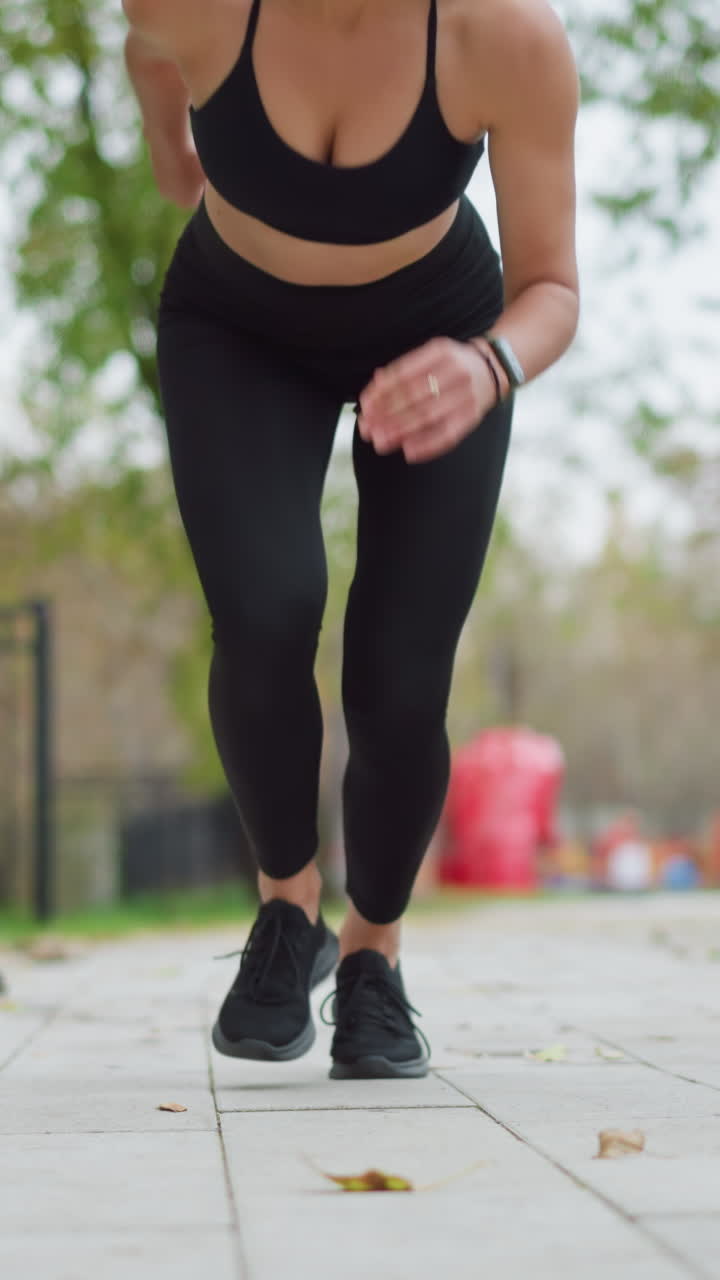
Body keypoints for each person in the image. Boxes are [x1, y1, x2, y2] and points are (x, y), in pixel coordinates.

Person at [122, 0, 579, 1079]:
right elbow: (143, 46)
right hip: (235, 327)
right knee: (267, 609)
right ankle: (291, 912)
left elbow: (553, 289)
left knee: (400, 680)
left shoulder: (505, 38)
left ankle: (375, 954)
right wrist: (170, 147)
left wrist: (488, 366)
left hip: (442, 341)